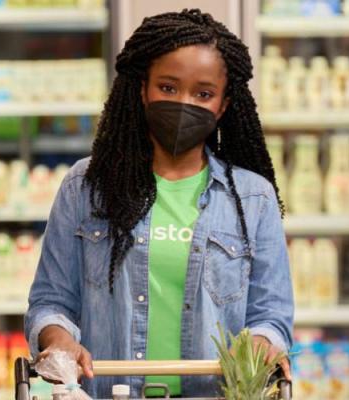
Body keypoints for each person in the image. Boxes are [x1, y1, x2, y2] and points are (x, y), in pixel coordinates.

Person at [24, 9, 294, 398]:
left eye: (203, 94)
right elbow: (51, 302)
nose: (184, 104)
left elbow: (272, 316)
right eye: (168, 88)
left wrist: (260, 346)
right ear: (142, 90)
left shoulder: (253, 199)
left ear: (223, 105)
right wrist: (59, 339)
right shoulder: (85, 187)